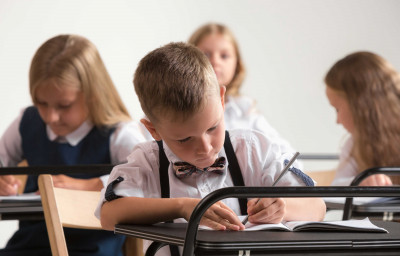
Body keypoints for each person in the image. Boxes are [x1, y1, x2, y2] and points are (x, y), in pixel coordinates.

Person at [96, 42, 326, 255]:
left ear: (222, 99)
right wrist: (184, 207)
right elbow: (108, 216)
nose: (205, 148)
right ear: (153, 129)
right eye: (185, 139)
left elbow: (317, 206)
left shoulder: (254, 150)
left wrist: (282, 208)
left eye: (212, 128)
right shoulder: (147, 161)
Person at [0, 34, 146, 256]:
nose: (50, 117)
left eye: (64, 105)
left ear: (93, 96)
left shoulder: (119, 133)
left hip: (92, 251)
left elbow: (149, 176)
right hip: (27, 248)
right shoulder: (26, 122)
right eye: (41, 103)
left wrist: (88, 186)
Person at [188, 23, 295, 153]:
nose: (215, 61)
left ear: (237, 64)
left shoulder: (246, 112)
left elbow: (287, 156)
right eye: (206, 55)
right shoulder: (175, 108)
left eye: (224, 56)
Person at [325, 51, 400, 186]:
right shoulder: (354, 145)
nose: (337, 121)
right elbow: (337, 186)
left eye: (337, 109)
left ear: (360, 105)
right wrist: (361, 182)